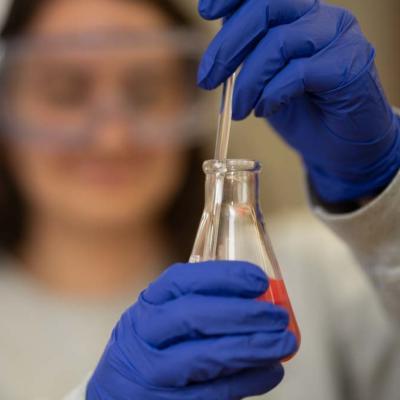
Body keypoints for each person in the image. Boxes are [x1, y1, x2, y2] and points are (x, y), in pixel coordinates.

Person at [0, 1, 397, 400]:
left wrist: (383, 194)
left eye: (146, 92)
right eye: (65, 94)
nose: (112, 138)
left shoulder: (321, 273)